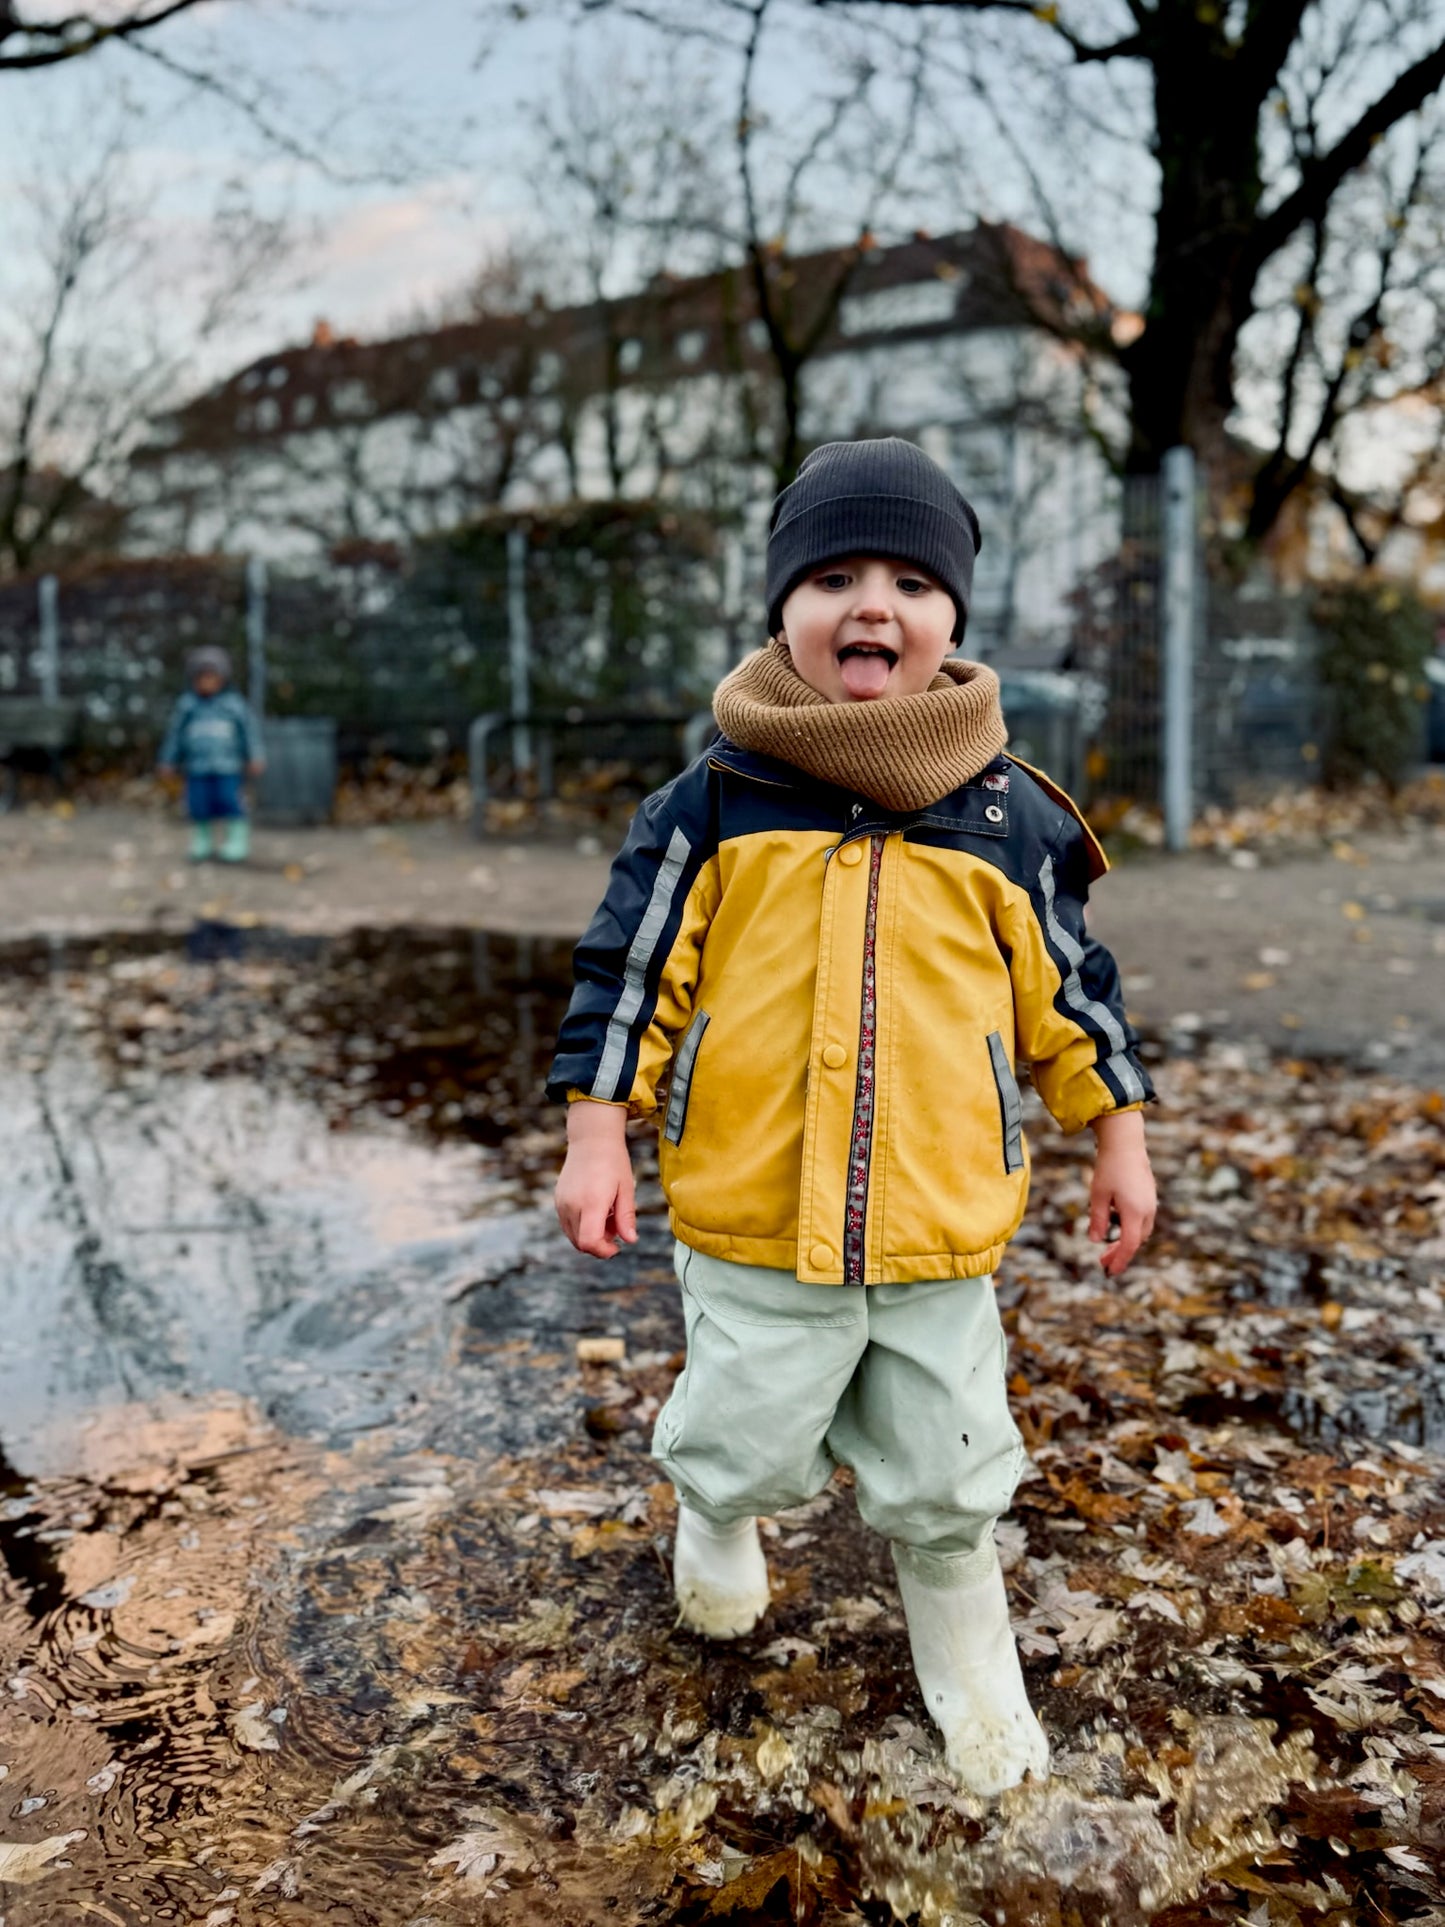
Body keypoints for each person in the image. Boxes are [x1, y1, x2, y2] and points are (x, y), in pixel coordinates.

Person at [548, 438, 1157, 1797]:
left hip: (942, 1218)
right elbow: (631, 972)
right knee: (748, 1432)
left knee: (948, 1467)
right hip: (755, 1206)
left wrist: (1115, 1128)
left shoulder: (1007, 813)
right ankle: (714, 1514)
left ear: (952, 618)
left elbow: (1073, 990)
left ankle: (972, 1664)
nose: (869, 604)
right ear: (780, 608)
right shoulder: (713, 801)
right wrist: (598, 1125)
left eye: (906, 579)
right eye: (831, 575)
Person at [157, 646, 265, 863]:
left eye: (211, 677)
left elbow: (249, 732)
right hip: (197, 767)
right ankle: (202, 841)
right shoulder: (187, 706)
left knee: (231, 802)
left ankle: (236, 841)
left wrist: (255, 755)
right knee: (198, 804)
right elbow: (175, 736)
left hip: (228, 767)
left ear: (222, 678)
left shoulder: (234, 705)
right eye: (202, 678)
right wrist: (167, 759)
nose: (206, 683)